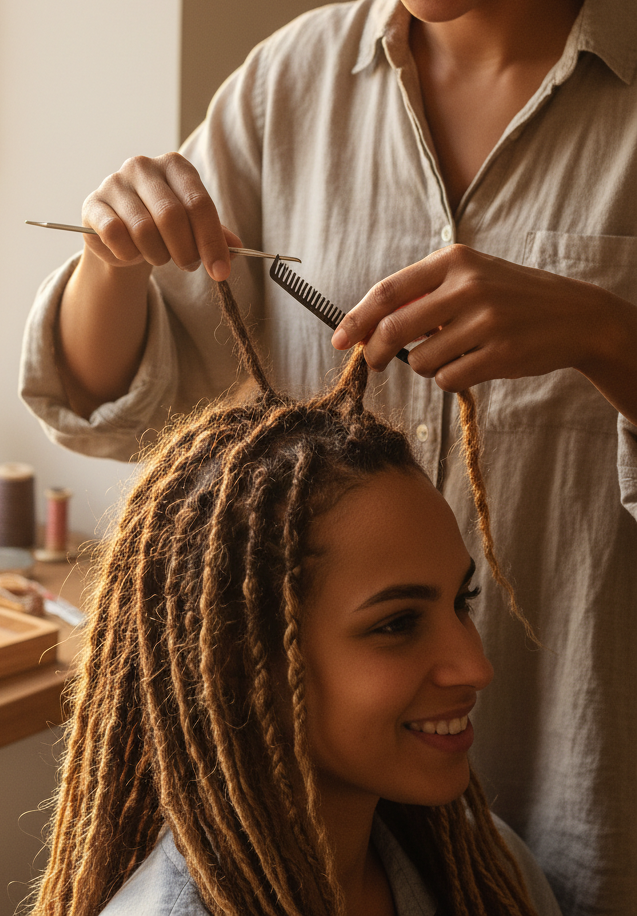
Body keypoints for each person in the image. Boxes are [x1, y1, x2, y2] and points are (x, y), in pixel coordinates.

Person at [19, 0, 637, 911]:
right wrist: (110, 259)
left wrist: (607, 335)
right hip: (332, 831)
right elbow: (119, 412)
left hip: (586, 794)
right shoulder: (289, 87)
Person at [28, 309, 562, 916]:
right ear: (235, 663)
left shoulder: (489, 872)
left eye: (460, 603)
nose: (474, 666)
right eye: (397, 624)